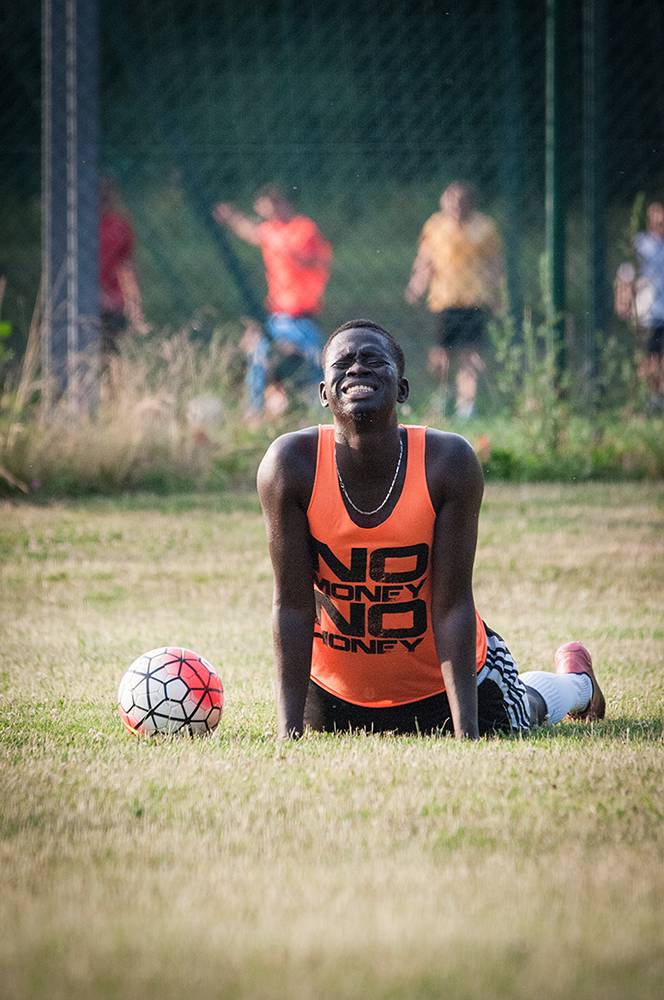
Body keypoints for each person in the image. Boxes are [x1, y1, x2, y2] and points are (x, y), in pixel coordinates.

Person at [257, 318, 605, 740]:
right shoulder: (291, 463)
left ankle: (577, 684)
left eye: (373, 360)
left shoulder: (448, 461)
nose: (357, 369)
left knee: (523, 711)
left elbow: (453, 604)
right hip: (336, 695)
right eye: (342, 362)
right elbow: (292, 606)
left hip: (441, 685)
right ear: (323, 392)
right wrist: (286, 735)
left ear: (402, 388)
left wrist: (467, 734)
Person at [213, 184, 332, 420]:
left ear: (280, 204)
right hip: (277, 314)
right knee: (258, 359)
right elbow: (252, 231)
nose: (266, 216)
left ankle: (322, 414)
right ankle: (254, 414)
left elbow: (314, 259)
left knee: (314, 366)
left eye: (269, 209)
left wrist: (288, 250)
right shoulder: (272, 230)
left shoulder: (302, 229)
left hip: (302, 315)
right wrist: (231, 217)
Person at [405, 182, 503, 419]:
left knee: (470, 355)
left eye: (461, 202)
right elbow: (426, 259)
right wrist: (417, 284)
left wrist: (498, 295)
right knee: (440, 357)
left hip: (474, 300)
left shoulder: (485, 228)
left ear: (470, 203)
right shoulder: (435, 226)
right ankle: (443, 394)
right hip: (445, 300)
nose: (456, 207)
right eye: (451, 202)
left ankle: (466, 407)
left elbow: (495, 265)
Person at [614, 200, 664, 412]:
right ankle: (650, 399)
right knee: (649, 359)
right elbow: (626, 276)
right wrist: (622, 300)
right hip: (649, 312)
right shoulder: (640, 245)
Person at [99, 179, 149, 363]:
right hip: (85, 301)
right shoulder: (78, 226)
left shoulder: (119, 226)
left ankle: (112, 388)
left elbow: (127, 268)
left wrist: (134, 306)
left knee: (111, 357)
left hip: (113, 305)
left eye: (107, 194)